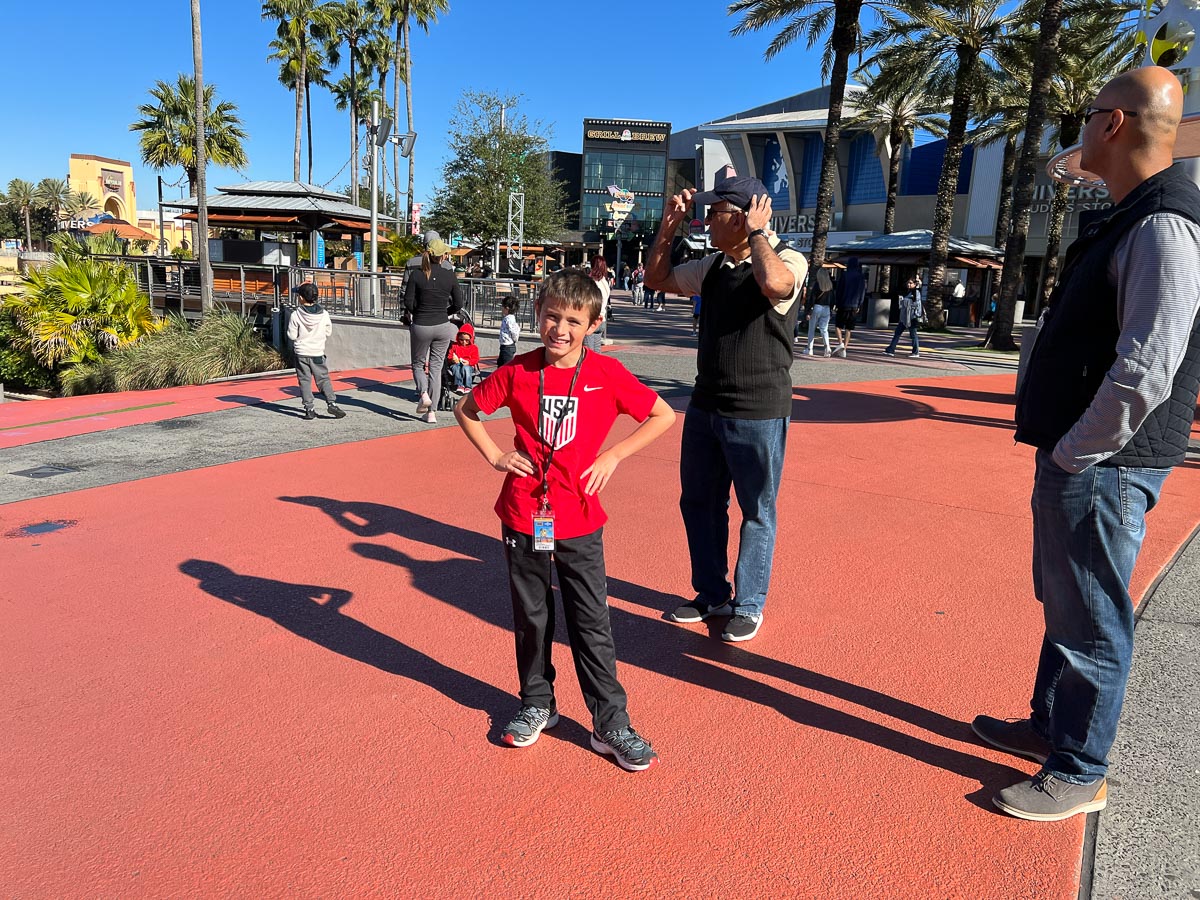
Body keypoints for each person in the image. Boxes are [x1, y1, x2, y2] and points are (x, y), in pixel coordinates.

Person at [972, 66, 1200, 822]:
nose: (1078, 130)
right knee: (1067, 603)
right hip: (1088, 455)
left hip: (1106, 462)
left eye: (1088, 114)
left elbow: (1146, 365)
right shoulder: (1127, 215)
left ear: (1114, 126)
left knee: (1092, 616)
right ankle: (1050, 726)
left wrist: (1075, 451)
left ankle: (1081, 769)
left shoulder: (1164, 224)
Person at [453, 270, 676, 769]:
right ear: (538, 315)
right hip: (521, 513)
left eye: (573, 320)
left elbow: (663, 415)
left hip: (579, 518)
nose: (560, 328)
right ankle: (537, 705)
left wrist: (615, 456)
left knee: (591, 620)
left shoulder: (607, 373)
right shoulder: (517, 372)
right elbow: (468, 410)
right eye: (552, 316)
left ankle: (610, 723)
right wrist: (494, 457)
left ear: (592, 324)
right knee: (532, 617)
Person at [645, 174, 807, 642]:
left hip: (758, 410)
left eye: (714, 213)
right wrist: (668, 228)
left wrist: (759, 235)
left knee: (757, 508)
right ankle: (712, 594)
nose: (706, 220)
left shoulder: (788, 257)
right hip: (705, 406)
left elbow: (775, 285)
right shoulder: (713, 265)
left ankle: (749, 602)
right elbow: (657, 278)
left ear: (741, 217)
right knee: (699, 502)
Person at [404, 238, 463, 424]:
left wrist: (419, 312)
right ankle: (432, 413)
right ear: (443, 256)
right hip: (443, 325)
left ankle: (423, 393)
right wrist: (446, 312)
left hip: (421, 324)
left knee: (418, 364)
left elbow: (408, 302)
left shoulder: (417, 275)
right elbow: (459, 304)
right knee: (436, 369)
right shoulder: (449, 275)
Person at [287, 282, 347, 420]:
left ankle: (309, 409)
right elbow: (328, 331)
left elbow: (291, 335)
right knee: (323, 379)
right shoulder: (324, 314)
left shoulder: (296, 315)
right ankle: (331, 403)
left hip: (301, 353)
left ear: (301, 298)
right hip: (317, 352)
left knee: (304, 381)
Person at [830, 256, 866, 357]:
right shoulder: (861, 276)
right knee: (849, 328)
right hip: (854, 305)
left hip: (843, 303)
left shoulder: (844, 275)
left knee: (838, 325)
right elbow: (862, 291)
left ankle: (840, 343)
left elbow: (839, 290)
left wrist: (837, 303)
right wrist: (860, 304)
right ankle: (844, 348)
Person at [884, 277, 923, 358]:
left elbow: (917, 304)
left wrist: (906, 302)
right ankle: (891, 349)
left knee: (913, 335)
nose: (908, 285)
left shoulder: (916, 292)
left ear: (915, 284)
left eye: (911, 283)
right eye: (908, 283)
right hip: (904, 317)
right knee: (897, 333)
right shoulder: (907, 292)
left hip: (912, 317)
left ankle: (916, 352)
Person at [804, 267, 834, 357]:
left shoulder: (817, 284)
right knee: (824, 329)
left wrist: (808, 311)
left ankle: (810, 349)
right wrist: (831, 310)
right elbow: (833, 300)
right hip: (827, 308)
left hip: (817, 307)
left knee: (811, 329)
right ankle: (827, 348)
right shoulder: (830, 285)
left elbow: (812, 298)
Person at [583, 255, 610, 352]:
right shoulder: (605, 282)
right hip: (602, 319)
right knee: (596, 352)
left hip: (591, 319)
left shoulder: (591, 282)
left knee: (587, 352)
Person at [446, 321, 480, 393]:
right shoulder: (455, 346)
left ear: (470, 339)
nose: (464, 342)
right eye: (461, 340)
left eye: (467, 340)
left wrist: (469, 362)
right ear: (458, 338)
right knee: (456, 367)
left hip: (468, 365)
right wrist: (452, 359)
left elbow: (476, 359)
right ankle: (459, 385)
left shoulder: (473, 348)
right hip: (456, 364)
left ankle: (468, 386)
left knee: (466, 368)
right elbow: (449, 355)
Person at [497, 297, 521, 367]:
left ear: (507, 308)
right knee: (500, 365)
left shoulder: (510, 319)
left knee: (507, 366)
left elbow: (514, 331)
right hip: (504, 346)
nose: (501, 309)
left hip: (508, 347)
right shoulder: (507, 318)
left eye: (502, 307)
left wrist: (515, 339)